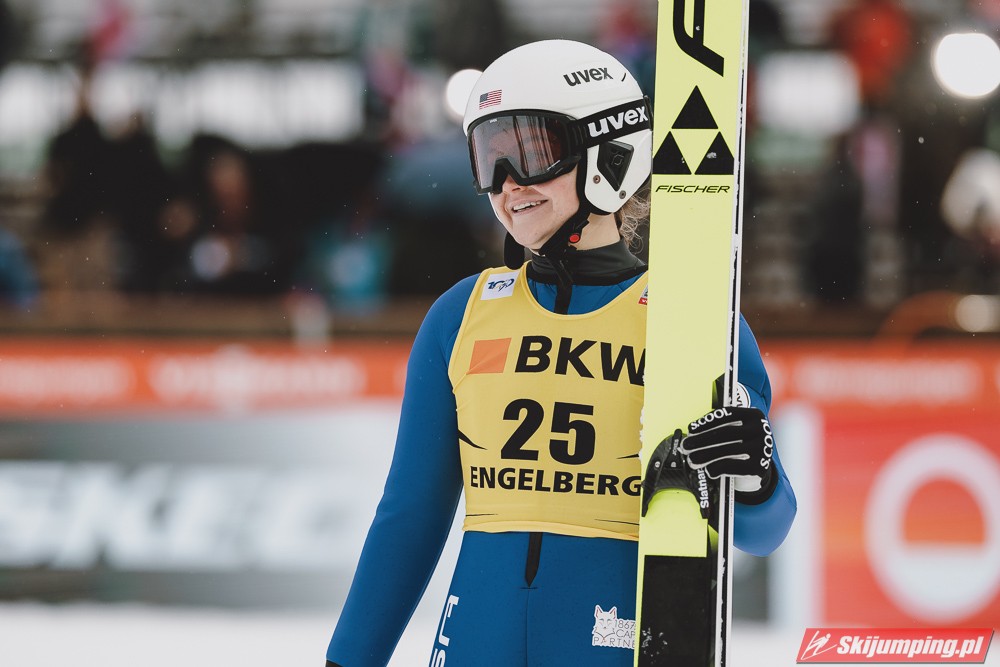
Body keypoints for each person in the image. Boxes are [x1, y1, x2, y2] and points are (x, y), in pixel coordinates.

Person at [325, 40, 796, 667]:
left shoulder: (693, 324)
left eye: (530, 152)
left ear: (609, 154)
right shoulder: (460, 316)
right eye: (489, 158)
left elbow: (766, 533)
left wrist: (757, 478)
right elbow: (410, 517)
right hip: (474, 646)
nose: (507, 184)